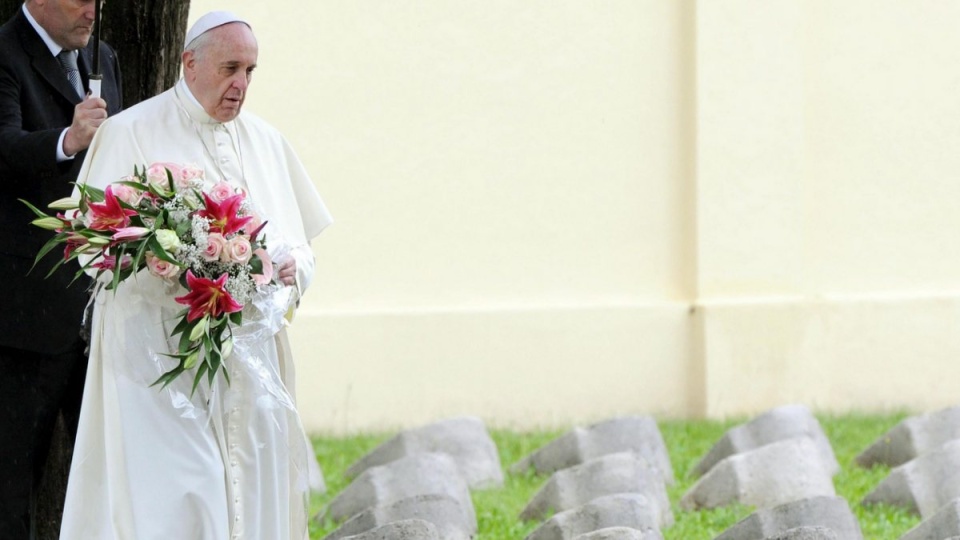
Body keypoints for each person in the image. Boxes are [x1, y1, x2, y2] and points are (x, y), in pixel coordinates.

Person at [58, 11, 331, 540]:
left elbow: (302, 246)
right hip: (155, 362)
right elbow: (90, 248)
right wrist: (173, 260)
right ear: (190, 63)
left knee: (249, 497)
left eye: (251, 71)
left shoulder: (268, 142)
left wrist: (295, 270)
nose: (241, 85)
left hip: (250, 365)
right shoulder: (129, 131)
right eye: (231, 68)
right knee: (180, 499)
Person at [0, 0, 122, 537]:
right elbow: (2, 147)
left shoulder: (104, 57)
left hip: (98, 313)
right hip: (23, 316)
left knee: (103, 474)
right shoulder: (4, 55)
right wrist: (68, 140)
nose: (93, 9)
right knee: (10, 481)